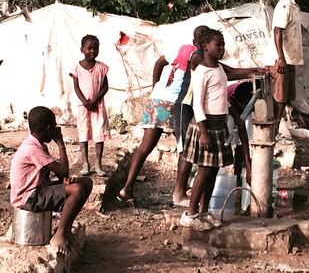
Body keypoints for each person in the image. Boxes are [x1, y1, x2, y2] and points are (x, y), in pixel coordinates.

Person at [116, 26, 208, 207]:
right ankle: (180, 193)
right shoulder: (200, 57)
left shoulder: (181, 49)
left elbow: (159, 62)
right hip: (175, 103)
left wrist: (155, 86)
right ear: (203, 44)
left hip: (157, 99)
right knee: (186, 147)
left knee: (145, 146)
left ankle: (126, 189)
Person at [10, 106, 93, 254]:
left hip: (38, 191)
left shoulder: (38, 146)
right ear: (49, 128)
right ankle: (59, 234)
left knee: (86, 182)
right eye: (54, 126)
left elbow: (62, 175)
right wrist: (60, 142)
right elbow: (63, 170)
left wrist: (65, 181)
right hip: (28, 198)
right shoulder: (32, 149)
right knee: (78, 189)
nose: (56, 129)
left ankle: (65, 228)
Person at [179, 28, 234, 231]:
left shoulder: (218, 68)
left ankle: (204, 210)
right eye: (217, 45)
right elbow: (198, 104)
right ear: (205, 47)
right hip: (206, 126)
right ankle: (191, 213)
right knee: (203, 170)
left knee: (213, 170)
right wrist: (203, 132)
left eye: (223, 44)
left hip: (218, 125)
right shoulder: (201, 71)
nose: (221, 48)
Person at [264, 0, 309, 136]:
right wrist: (281, 58)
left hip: (289, 60)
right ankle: (272, 135)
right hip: (280, 60)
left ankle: (275, 133)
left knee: (285, 100)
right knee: (279, 99)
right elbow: (277, 30)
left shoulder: (294, 6)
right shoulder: (285, 5)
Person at [70, 34, 111, 177]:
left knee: (99, 134)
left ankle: (98, 164)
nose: (92, 51)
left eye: (96, 48)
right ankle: (85, 164)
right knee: (83, 133)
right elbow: (76, 88)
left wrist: (94, 101)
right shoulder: (76, 68)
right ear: (82, 49)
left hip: (97, 106)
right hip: (83, 107)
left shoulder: (101, 68)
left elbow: (105, 87)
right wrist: (86, 102)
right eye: (89, 48)